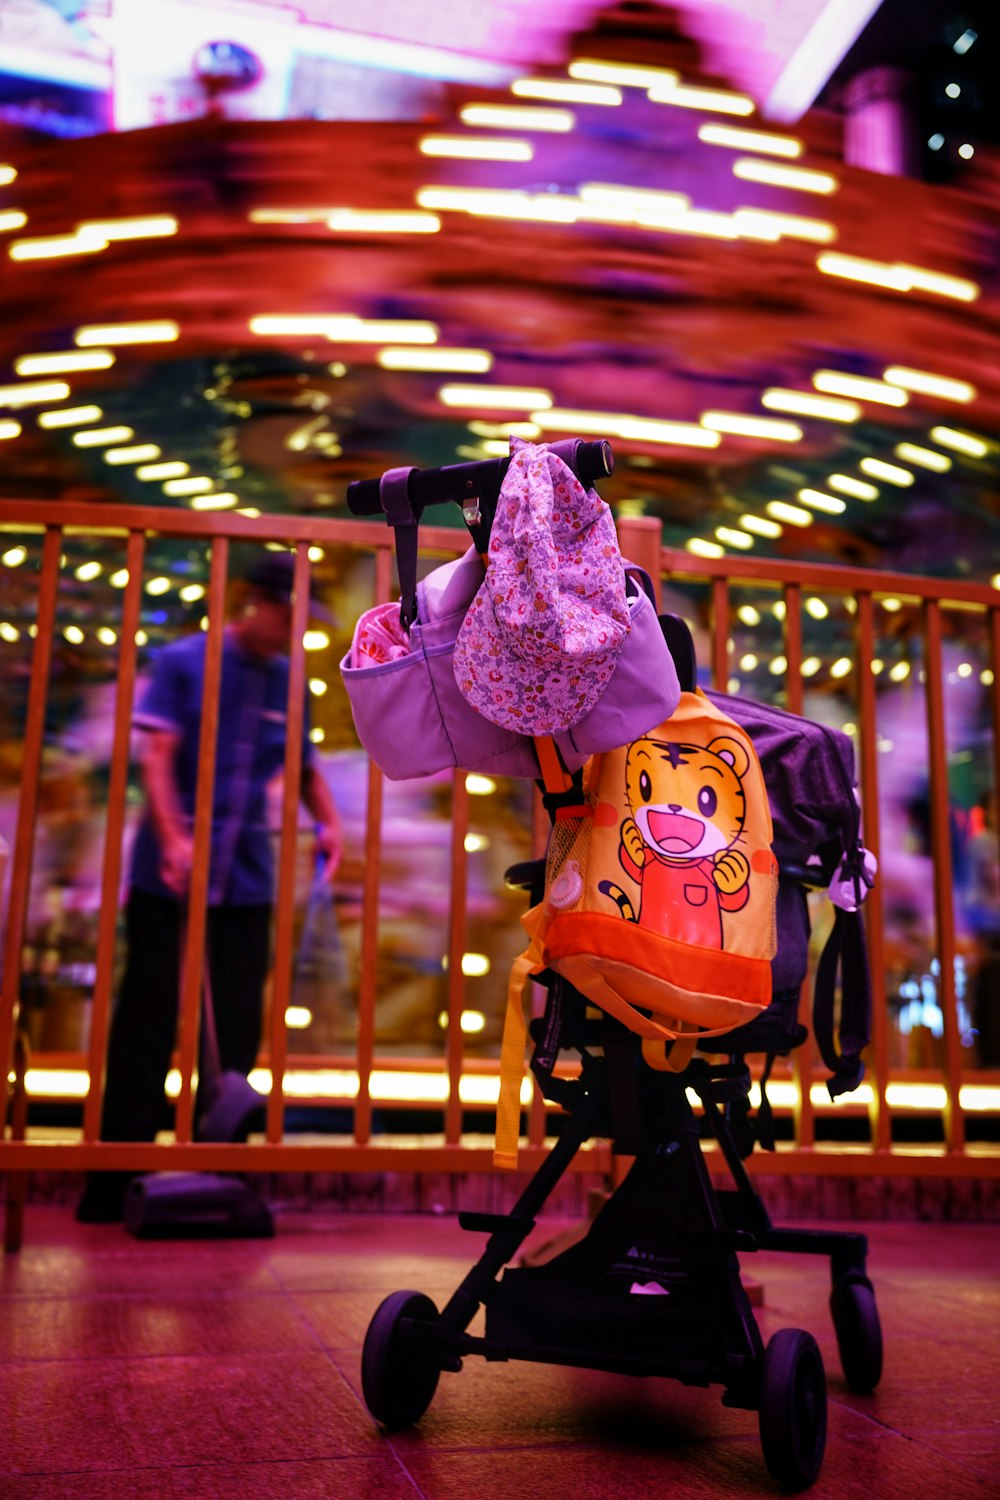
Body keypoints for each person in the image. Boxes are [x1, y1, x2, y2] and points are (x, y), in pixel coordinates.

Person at [77, 553, 342, 1222]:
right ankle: (112, 1181)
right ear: (255, 600)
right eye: (287, 614)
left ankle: (220, 1178)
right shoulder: (181, 662)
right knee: (147, 1018)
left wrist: (331, 823)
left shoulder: (290, 681)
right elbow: (156, 756)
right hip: (169, 873)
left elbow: (302, 767)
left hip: (244, 875)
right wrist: (171, 836)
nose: (293, 629)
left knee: (238, 1026)